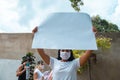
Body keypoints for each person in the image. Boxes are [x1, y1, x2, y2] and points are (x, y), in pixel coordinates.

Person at [32, 26, 97, 80]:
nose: (65, 52)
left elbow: (88, 53)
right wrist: (36, 36)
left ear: (70, 52)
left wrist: (93, 35)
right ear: (59, 52)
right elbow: (41, 52)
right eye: (63, 50)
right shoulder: (54, 62)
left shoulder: (74, 63)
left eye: (67, 50)